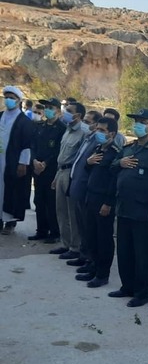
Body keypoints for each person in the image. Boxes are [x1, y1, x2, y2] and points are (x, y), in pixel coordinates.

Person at [108, 109, 148, 307]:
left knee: (142, 254)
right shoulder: (129, 147)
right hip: (124, 206)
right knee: (124, 251)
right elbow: (112, 167)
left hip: (144, 209)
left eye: (142, 122)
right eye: (136, 121)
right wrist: (120, 162)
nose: (138, 125)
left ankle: (142, 293)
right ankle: (127, 287)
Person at [78, 116, 120, 288]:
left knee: (104, 238)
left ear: (112, 134)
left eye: (102, 130)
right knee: (91, 235)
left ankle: (103, 274)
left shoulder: (115, 153)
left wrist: (108, 203)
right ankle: (93, 267)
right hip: (91, 196)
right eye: (98, 129)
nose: (98, 133)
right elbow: (90, 171)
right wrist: (88, 163)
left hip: (104, 200)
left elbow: (114, 181)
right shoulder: (97, 149)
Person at [49, 100, 88, 256]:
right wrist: (56, 176)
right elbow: (62, 154)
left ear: (78, 115)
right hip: (61, 171)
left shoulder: (84, 132)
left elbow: (82, 158)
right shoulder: (67, 130)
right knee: (61, 210)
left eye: (69, 111)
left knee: (73, 213)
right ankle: (65, 243)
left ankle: (75, 247)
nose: (65, 113)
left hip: (72, 173)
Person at [67, 110, 103, 268]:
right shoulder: (87, 138)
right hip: (77, 185)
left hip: (86, 189)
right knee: (81, 224)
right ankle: (83, 255)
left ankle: (89, 258)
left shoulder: (97, 142)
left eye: (88, 122)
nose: (84, 124)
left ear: (96, 124)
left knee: (87, 227)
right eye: (85, 121)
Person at [29, 98, 65, 242]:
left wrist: (45, 163)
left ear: (58, 111)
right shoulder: (40, 126)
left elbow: (58, 150)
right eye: (46, 107)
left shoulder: (62, 128)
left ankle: (54, 232)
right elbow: (33, 145)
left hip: (51, 170)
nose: (48, 110)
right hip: (37, 169)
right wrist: (34, 161)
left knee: (51, 202)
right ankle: (41, 230)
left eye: (51, 107)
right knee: (39, 200)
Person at [0, 86, 34, 235]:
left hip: (13, 162)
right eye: (6, 97)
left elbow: (27, 145)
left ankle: (10, 221)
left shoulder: (24, 121)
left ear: (19, 101)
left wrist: (23, 163)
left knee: (11, 190)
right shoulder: (1, 116)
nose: (8, 100)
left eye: (12, 98)